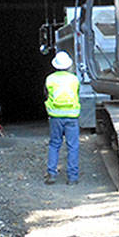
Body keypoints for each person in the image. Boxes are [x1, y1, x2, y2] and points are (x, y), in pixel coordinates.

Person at [44, 50, 80, 185]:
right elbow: (77, 93)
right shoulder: (74, 79)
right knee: (73, 146)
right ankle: (72, 178)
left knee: (54, 144)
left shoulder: (50, 79)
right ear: (68, 65)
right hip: (72, 116)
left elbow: (46, 94)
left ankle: (51, 174)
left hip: (55, 116)